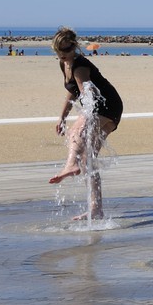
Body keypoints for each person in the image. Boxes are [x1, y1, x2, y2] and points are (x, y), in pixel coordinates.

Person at [49, 27, 123, 221]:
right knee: (87, 159)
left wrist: (83, 119)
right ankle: (96, 210)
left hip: (106, 104)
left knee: (76, 132)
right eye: (58, 51)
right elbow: (72, 91)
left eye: (65, 51)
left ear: (74, 47)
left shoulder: (80, 66)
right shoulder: (63, 63)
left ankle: (69, 166)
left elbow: (86, 92)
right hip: (104, 106)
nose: (62, 55)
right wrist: (62, 116)